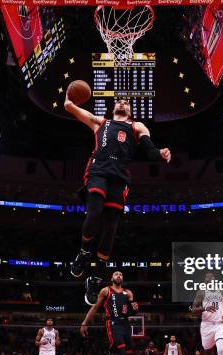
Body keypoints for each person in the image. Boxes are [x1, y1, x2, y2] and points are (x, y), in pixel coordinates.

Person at [64, 94, 171, 305]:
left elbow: (149, 150)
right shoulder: (100, 122)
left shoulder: (137, 126)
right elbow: (71, 108)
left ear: (130, 111)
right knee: (94, 213)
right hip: (99, 170)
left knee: (111, 227)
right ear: (114, 108)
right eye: (119, 102)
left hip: (120, 176)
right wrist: (69, 98)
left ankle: (95, 279)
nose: (122, 103)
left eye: (126, 102)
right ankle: (84, 252)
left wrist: (160, 152)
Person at [80, 271, 139, 355]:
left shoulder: (128, 293)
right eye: (116, 274)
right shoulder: (106, 291)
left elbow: (131, 311)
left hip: (126, 325)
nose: (119, 276)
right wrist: (85, 323)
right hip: (113, 323)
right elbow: (95, 307)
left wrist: (135, 308)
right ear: (111, 278)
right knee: (122, 352)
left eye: (121, 274)